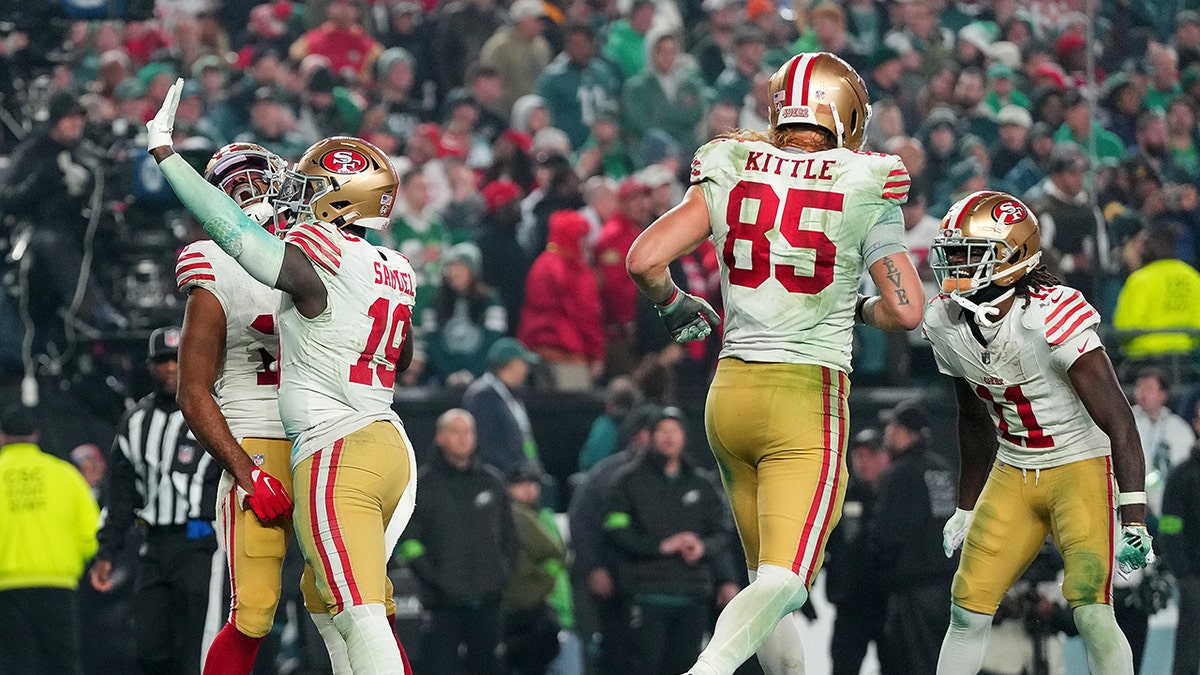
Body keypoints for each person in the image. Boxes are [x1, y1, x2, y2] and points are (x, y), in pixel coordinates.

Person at [626, 52, 925, 675]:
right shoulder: (866, 180)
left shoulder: (731, 161)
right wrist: (858, 309)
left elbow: (645, 259)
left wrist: (677, 305)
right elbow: (906, 310)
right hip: (804, 399)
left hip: (729, 394)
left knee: (770, 591)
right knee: (786, 583)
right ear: (844, 113)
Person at [148, 79, 418, 674]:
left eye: (260, 178)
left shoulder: (304, 248)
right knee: (280, 610)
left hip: (327, 443)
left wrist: (167, 155)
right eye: (234, 185)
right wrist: (244, 468)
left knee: (353, 603)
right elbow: (193, 388)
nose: (252, 192)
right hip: (300, 439)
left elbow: (244, 240)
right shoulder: (391, 264)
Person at [924, 190, 1152, 675]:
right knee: (965, 608)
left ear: (1013, 257)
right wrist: (966, 506)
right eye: (952, 252)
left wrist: (1133, 513)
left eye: (970, 253)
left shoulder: (1052, 313)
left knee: (1091, 611)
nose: (955, 265)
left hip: (1079, 466)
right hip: (1014, 469)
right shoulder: (945, 322)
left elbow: (1119, 418)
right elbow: (973, 419)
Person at [89, 326, 225, 675]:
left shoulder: (216, 412)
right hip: (153, 544)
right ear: (149, 366)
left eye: (176, 360)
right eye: (162, 361)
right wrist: (107, 551)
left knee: (201, 643)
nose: (170, 369)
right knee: (151, 647)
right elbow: (120, 494)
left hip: (201, 542)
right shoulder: (135, 421)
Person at [601, 406, 737, 674]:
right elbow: (615, 531)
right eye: (662, 431)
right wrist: (661, 546)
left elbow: (722, 530)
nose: (669, 437)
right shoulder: (626, 482)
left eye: (674, 430)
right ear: (649, 437)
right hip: (645, 595)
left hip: (693, 596)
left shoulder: (702, 484)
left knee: (688, 667)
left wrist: (704, 549)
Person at [396, 409, 516, 675]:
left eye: (468, 432)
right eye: (455, 432)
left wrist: (500, 575)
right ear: (440, 437)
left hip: (488, 601)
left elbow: (510, 538)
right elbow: (409, 541)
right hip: (441, 605)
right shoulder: (421, 485)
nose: (463, 439)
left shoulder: (492, 482)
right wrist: (436, 579)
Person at [0, 404, 100, 675]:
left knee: (14, 666)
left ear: (2, 436)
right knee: (62, 665)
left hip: (6, 591)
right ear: (36, 435)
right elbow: (91, 535)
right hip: (58, 587)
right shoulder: (65, 475)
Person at [865, 401, 957, 674]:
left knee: (912, 666)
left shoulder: (899, 474)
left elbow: (885, 534)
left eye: (892, 426)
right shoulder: (945, 469)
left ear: (904, 431)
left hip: (913, 592)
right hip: (950, 587)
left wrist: (878, 573)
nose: (887, 433)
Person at [825, 428, 890, 675]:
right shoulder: (841, 497)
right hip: (850, 603)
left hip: (885, 601)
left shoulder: (894, 496)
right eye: (858, 456)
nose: (863, 462)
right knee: (843, 667)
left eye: (870, 455)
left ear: (884, 456)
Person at [462, 336, 543, 476]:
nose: (526, 370)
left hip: (520, 475)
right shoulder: (482, 395)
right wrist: (513, 475)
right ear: (512, 364)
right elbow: (487, 445)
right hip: (498, 480)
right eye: (523, 363)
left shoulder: (509, 394)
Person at [1160, 401, 1200, 675]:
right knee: (1188, 655)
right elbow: (1169, 530)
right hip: (1195, 581)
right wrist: (1185, 576)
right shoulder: (1181, 477)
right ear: (1196, 424)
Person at [1131, 368, 1195, 514]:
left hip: (1174, 502)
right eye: (1139, 387)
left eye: (1148, 388)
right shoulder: (1126, 422)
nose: (1141, 392)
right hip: (1139, 505)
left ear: (1162, 394)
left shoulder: (1179, 428)